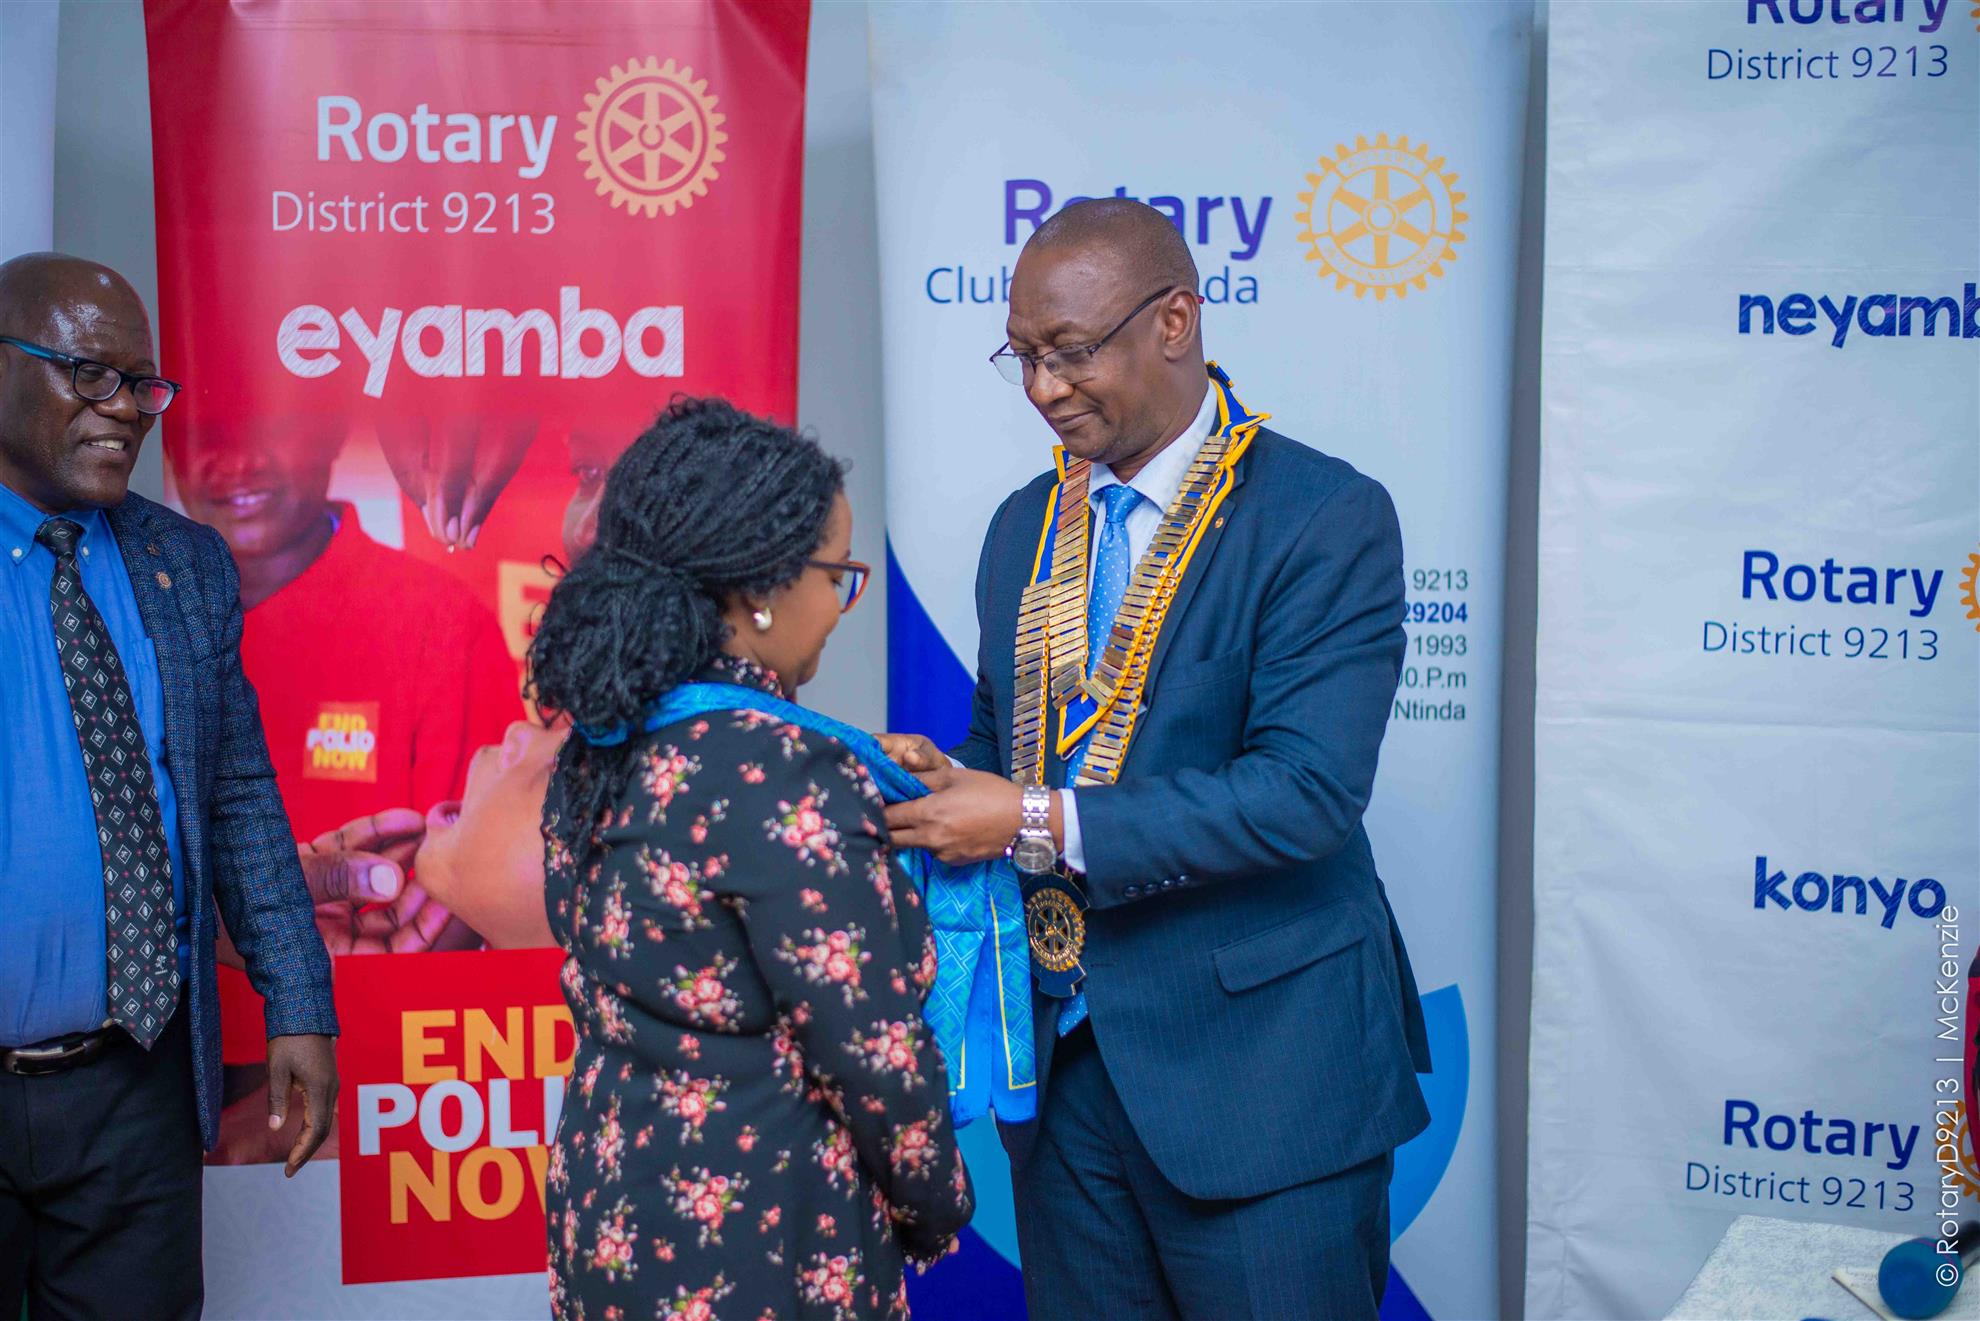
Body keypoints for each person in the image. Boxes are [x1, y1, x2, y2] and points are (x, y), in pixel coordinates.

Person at [879, 199, 1433, 1320]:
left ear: (1175, 320)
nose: (1044, 388)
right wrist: (940, 785)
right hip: (1066, 1077)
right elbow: (1005, 744)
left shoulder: (1322, 516)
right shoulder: (1023, 525)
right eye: (1023, 356)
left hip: (1264, 1084)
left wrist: (1028, 817)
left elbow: (1304, 793)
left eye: (1071, 351)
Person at [530, 398, 972, 1321]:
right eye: (837, 574)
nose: (841, 606)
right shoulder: (784, 770)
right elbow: (875, 1052)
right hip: (755, 1238)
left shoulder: (608, 736)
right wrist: (936, 1205)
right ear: (761, 587)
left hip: (610, 1207)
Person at [0, 252, 336, 1317]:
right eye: (89, 374)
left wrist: (298, 1001)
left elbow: (238, 794)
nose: (125, 409)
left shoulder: (182, 563)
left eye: (142, 384)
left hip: (135, 1085)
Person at [168, 411, 517, 1160]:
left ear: (331, 431)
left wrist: (339, 1092)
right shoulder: (130, 617)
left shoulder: (437, 621)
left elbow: (463, 905)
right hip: (145, 1086)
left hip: (364, 1096)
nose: (238, 462)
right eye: (208, 431)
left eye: (268, 425)